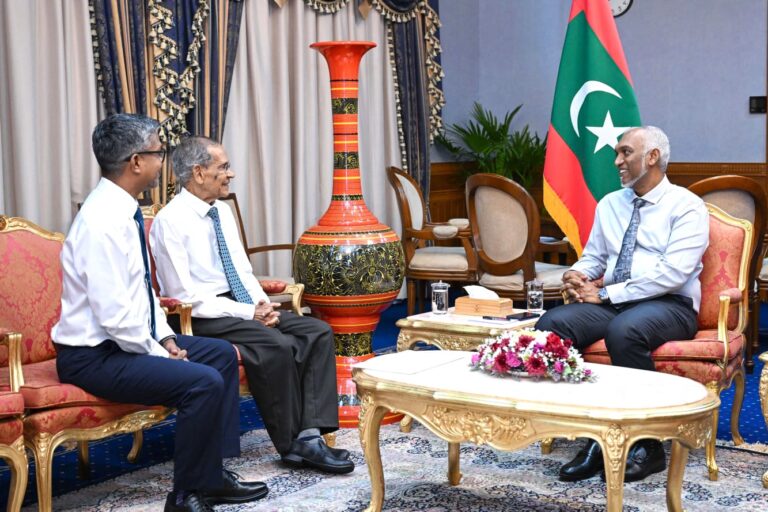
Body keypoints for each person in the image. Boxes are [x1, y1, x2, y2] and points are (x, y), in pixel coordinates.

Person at [52, 114, 269, 512]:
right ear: (136, 162)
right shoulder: (102, 222)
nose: (162, 162)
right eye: (158, 153)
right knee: (201, 382)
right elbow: (115, 318)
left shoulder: (122, 210)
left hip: (120, 345)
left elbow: (142, 291)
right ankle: (185, 496)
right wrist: (158, 353)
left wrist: (166, 337)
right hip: (92, 357)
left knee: (219, 355)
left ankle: (211, 477)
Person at [149, 136, 354, 474]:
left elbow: (242, 271)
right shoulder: (170, 221)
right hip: (202, 316)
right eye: (224, 167)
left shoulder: (222, 211)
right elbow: (185, 297)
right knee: (275, 343)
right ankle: (291, 445)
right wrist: (250, 313)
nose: (230, 174)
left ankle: (310, 436)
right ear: (198, 172)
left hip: (242, 307)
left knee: (317, 331)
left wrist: (263, 305)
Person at [536, 126, 709, 483]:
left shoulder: (687, 206)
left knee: (624, 331)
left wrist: (605, 294)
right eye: (617, 153)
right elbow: (595, 257)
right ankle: (591, 433)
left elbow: (673, 273)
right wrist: (577, 274)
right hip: (615, 301)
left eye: (625, 152)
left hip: (670, 304)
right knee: (551, 325)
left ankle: (648, 446)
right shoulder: (611, 204)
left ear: (653, 157)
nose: (616, 161)